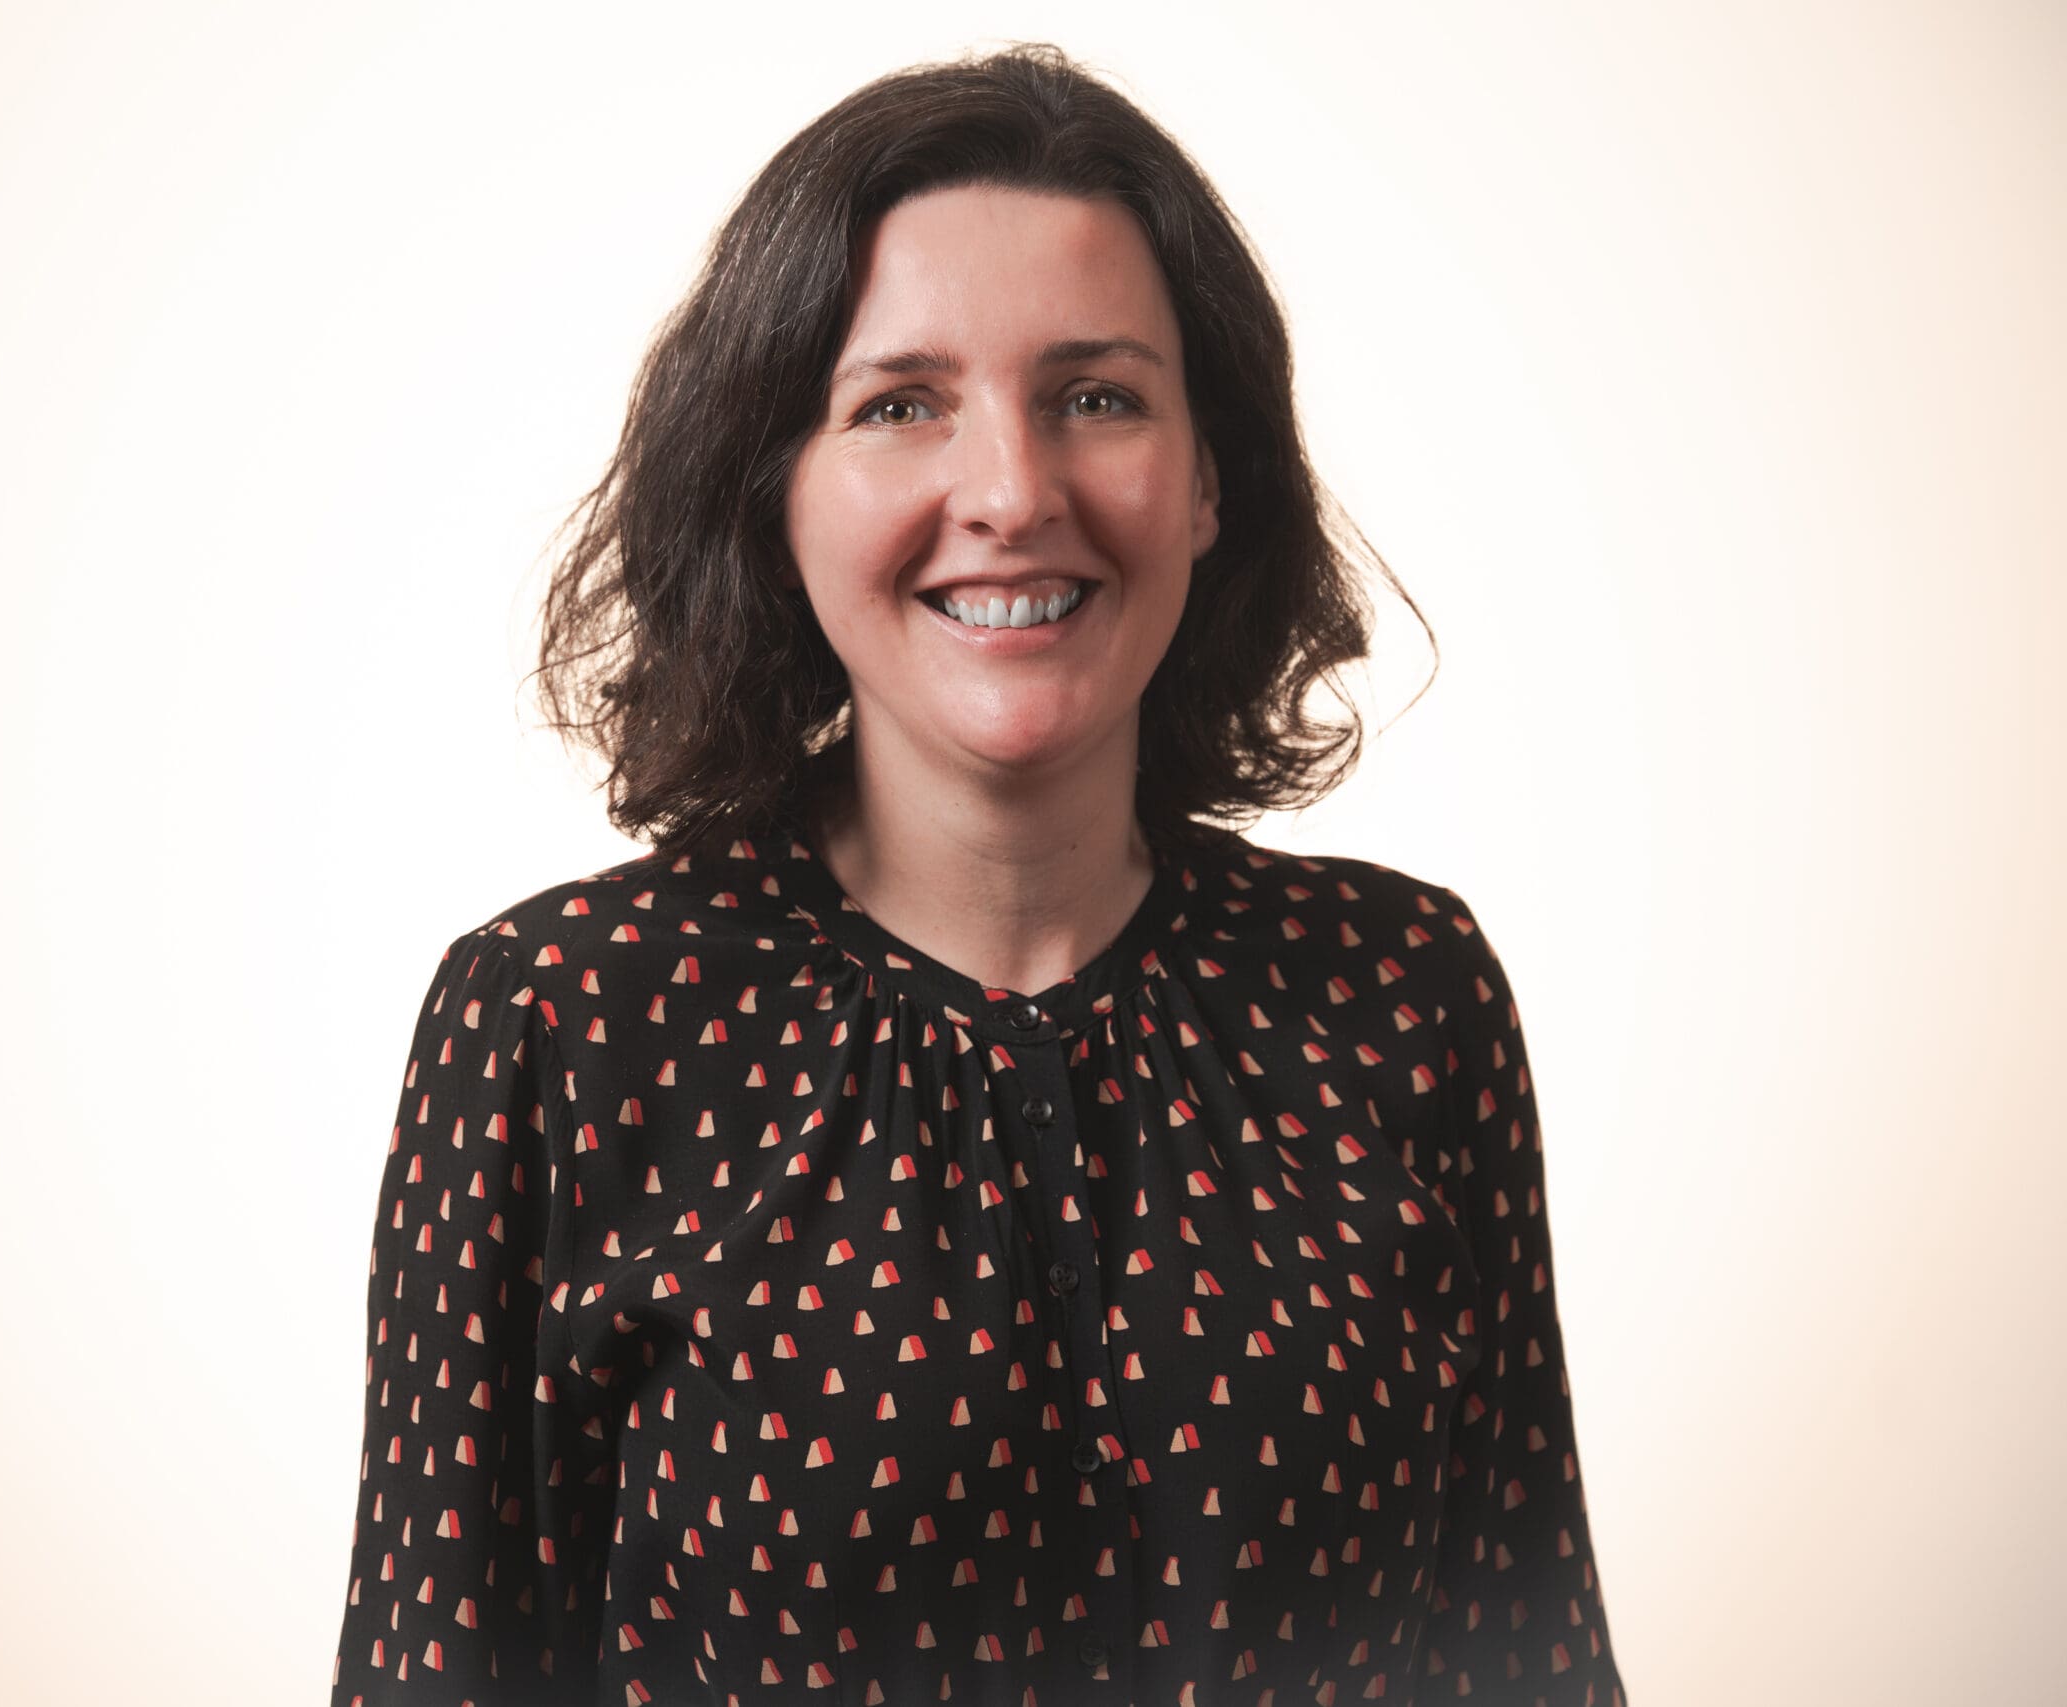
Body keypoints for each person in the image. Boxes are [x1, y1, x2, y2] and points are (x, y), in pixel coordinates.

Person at [326, 42, 1627, 1707]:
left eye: (1098, 396)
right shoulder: (563, 1027)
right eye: (899, 406)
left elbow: (1538, 1671)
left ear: (1211, 477)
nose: (1012, 492)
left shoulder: (1404, 998)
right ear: (772, 490)